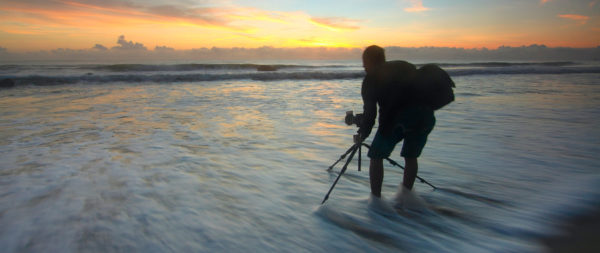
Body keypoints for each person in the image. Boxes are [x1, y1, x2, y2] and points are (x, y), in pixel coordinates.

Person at [357, 45, 435, 210]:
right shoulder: (405, 65)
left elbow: (370, 113)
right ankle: (406, 197)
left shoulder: (370, 79)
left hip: (397, 120)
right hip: (425, 117)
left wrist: (362, 134)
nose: (363, 67)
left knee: (376, 156)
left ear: (370, 61)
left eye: (364, 63)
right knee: (411, 156)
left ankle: (376, 202)